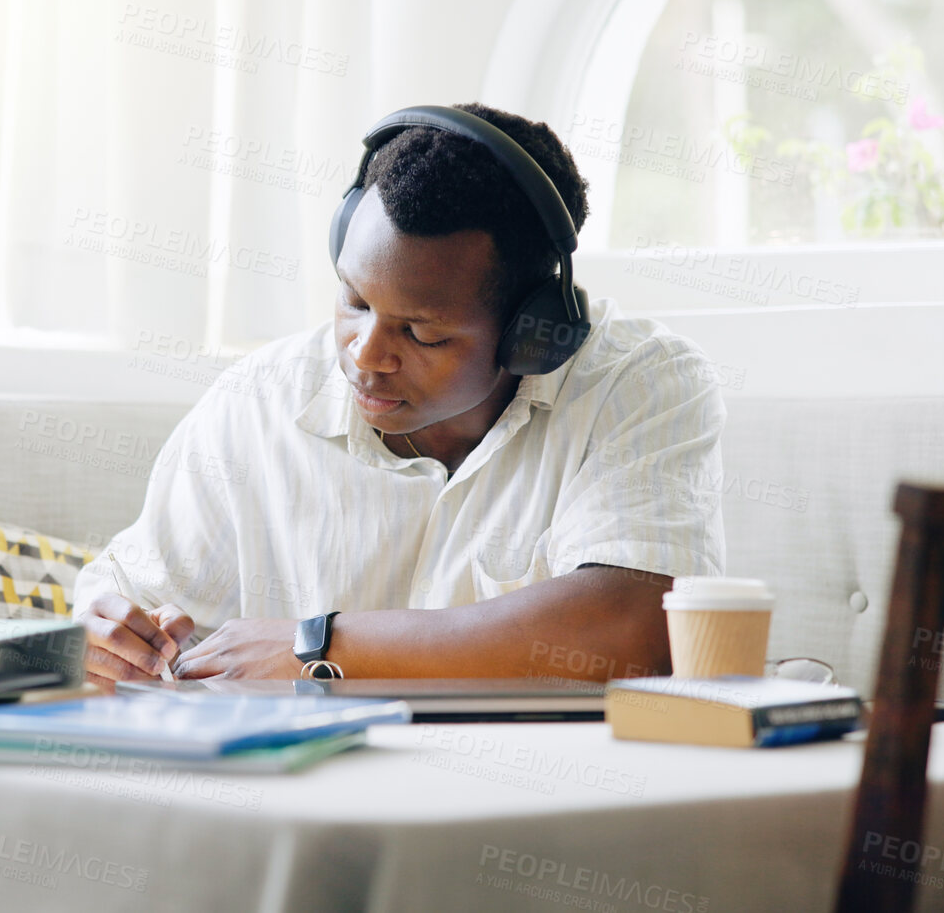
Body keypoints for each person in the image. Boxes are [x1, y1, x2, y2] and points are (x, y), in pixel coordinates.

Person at [73, 103, 726, 685]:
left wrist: (323, 645)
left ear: (532, 333)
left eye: (419, 333)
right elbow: (130, 593)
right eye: (353, 301)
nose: (364, 355)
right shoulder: (257, 400)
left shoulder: (639, 383)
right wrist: (105, 629)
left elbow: (631, 629)